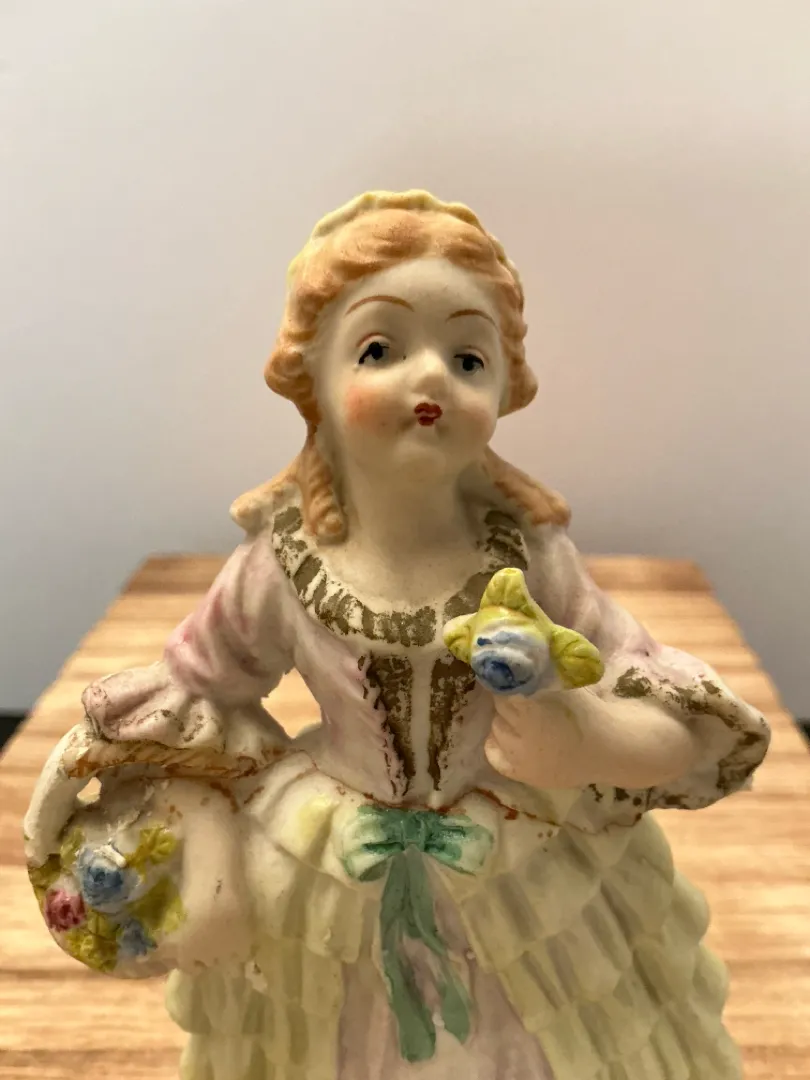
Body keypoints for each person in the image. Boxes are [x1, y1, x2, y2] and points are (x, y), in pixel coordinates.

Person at [25, 191, 769, 1080]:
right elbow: (193, 702)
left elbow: (662, 704)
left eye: (467, 357)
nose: (431, 379)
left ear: (503, 388)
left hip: (523, 868)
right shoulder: (281, 566)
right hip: (328, 869)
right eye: (380, 349)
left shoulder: (530, 557)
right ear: (312, 379)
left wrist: (586, 738)